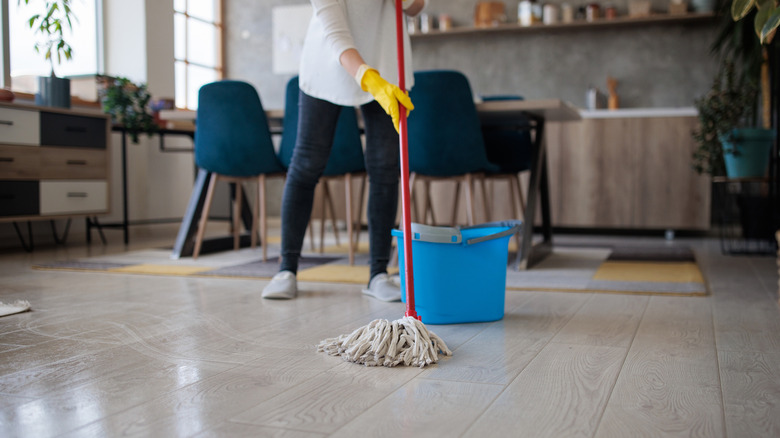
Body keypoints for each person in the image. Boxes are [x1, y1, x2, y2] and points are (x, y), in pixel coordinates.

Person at [262, 0, 427, 300]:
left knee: (385, 166)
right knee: (307, 162)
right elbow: (336, 34)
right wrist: (368, 78)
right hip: (328, 64)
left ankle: (378, 273)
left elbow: (414, 8)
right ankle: (286, 269)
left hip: (387, 60)